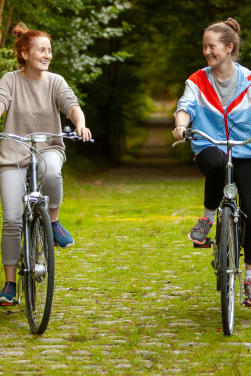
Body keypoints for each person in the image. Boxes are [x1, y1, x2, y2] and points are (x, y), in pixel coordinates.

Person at [0, 22, 92, 305]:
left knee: (52, 171)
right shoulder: (10, 80)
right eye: (41, 50)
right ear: (25, 53)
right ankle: (10, 284)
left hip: (48, 147)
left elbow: (70, 105)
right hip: (12, 152)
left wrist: (80, 123)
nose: (47, 55)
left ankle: (53, 222)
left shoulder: (56, 81)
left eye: (49, 50)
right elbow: (1, 101)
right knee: (12, 220)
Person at [172, 17, 251, 305]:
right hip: (209, 142)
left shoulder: (249, 81)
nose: (207, 52)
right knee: (216, 164)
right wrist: (181, 125)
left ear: (229, 48)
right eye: (204, 47)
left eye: (212, 46)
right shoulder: (197, 80)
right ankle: (207, 218)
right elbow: (185, 106)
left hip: (246, 149)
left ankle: (249, 277)